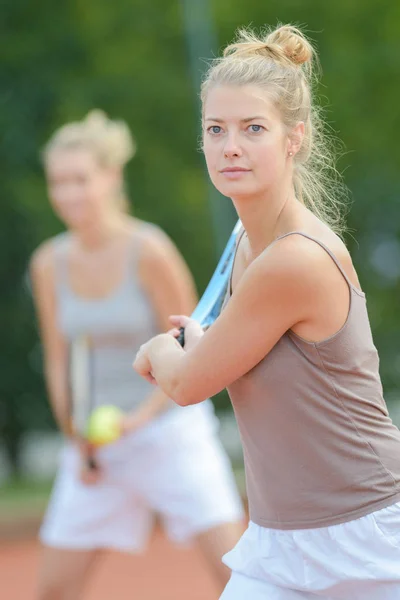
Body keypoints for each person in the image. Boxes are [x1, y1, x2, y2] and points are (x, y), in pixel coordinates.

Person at [133, 24, 400, 600]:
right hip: (279, 543)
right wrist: (204, 340)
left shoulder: (293, 260)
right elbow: (238, 349)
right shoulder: (245, 242)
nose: (230, 145)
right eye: (215, 130)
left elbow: (185, 384)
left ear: (293, 139)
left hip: (372, 536)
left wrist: (158, 349)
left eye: (253, 128)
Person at [30, 110, 244, 600]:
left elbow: (190, 343)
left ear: (111, 177)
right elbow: (58, 359)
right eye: (58, 182)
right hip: (96, 450)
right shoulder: (47, 263)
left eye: (80, 179)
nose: (68, 194)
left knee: (242, 580)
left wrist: (142, 418)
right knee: (52, 593)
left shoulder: (150, 249)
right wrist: (74, 433)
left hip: (171, 431)